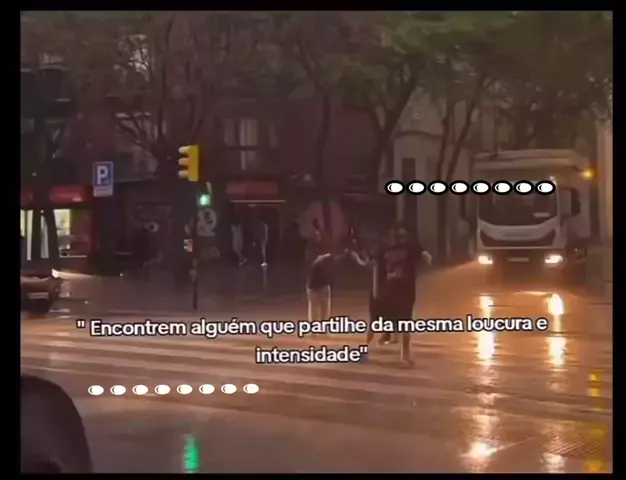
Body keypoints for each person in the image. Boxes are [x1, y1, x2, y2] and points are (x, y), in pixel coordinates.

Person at [375, 224, 432, 365]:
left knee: (404, 322)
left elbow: (424, 256)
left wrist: (424, 255)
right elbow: (378, 270)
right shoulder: (386, 249)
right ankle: (395, 343)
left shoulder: (409, 248)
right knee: (397, 320)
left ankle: (404, 353)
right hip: (392, 291)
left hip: (404, 291)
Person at [306, 249, 345, 326]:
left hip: (322, 285)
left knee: (324, 309)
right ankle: (315, 326)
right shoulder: (327, 259)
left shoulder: (330, 260)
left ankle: (321, 326)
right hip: (313, 286)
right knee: (315, 308)